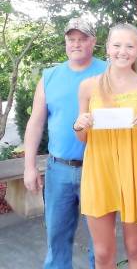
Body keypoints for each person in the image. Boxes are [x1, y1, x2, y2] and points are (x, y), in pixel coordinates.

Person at [23, 17, 106, 269]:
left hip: (98, 167)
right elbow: (35, 124)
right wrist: (29, 166)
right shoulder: (50, 76)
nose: (76, 44)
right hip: (58, 170)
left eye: (83, 39)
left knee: (100, 243)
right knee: (56, 238)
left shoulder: (109, 72)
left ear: (93, 41)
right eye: (72, 39)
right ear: (65, 42)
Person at [73, 23, 137, 269]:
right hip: (99, 171)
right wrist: (80, 125)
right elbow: (82, 137)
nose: (123, 51)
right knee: (102, 251)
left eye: (129, 46)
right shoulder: (88, 86)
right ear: (108, 48)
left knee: (136, 249)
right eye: (117, 45)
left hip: (133, 171)